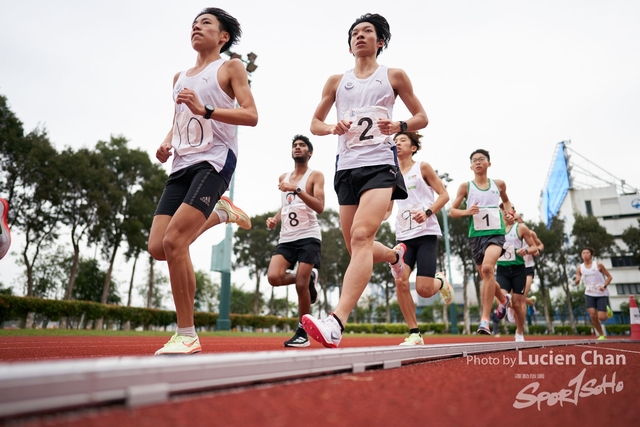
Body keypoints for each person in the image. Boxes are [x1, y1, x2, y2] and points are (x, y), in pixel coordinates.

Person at [301, 13, 428, 348]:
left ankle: (336, 322)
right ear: (349, 44)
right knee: (357, 248)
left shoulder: (394, 76)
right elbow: (315, 122)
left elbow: (422, 118)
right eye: (354, 33)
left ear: (380, 41)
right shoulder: (336, 82)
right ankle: (395, 256)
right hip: (346, 168)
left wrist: (398, 126)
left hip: (379, 165)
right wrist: (332, 128)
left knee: (360, 237)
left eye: (367, 32)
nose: (360, 36)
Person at [148, 7, 258, 356]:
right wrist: (167, 141)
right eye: (194, 24)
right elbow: (180, 116)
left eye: (205, 23)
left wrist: (206, 110)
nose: (197, 27)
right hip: (181, 165)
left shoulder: (230, 67)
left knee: (176, 240)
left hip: (214, 160)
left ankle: (186, 334)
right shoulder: (179, 76)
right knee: (158, 247)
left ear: (223, 36)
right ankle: (221, 213)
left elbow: (251, 115)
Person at [391, 131, 454, 346]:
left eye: (402, 141)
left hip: (425, 233)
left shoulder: (422, 167)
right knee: (399, 281)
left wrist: (427, 212)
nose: (397, 144)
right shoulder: (391, 173)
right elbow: (388, 204)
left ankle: (440, 281)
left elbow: (444, 195)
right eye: (395, 141)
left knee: (424, 290)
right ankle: (415, 333)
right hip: (403, 236)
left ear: (413, 148)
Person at [266, 135, 325, 347]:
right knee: (274, 277)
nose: (297, 148)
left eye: (302, 145)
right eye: (295, 145)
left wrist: (297, 189)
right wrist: (275, 217)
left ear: (310, 152)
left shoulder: (315, 175)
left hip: (309, 236)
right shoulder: (283, 177)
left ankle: (302, 332)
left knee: (300, 284)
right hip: (287, 238)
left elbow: (319, 206)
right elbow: (287, 205)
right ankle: (309, 279)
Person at [449, 149, 513, 335]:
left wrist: (509, 214)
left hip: (496, 234)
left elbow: (507, 202)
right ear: (471, 166)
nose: (478, 162)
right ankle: (503, 299)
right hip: (476, 236)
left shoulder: (499, 185)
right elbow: (452, 212)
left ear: (488, 164)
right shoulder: (465, 187)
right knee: (486, 276)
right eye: (474, 160)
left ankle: (484, 320)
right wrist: (466, 212)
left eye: (481, 159)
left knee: (487, 269)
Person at [496, 203, 538, 342]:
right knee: (502, 296)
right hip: (502, 269)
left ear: (513, 212)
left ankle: (519, 332)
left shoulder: (521, 228)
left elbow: (534, 247)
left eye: (508, 210)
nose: (506, 213)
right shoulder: (496, 228)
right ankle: (506, 305)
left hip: (518, 269)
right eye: (503, 211)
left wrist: (525, 251)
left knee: (518, 304)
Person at [574, 247, 613, 340]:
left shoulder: (598, 265)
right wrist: (577, 280)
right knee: (592, 315)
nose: (585, 255)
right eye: (583, 253)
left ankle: (607, 312)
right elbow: (578, 275)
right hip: (589, 293)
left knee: (602, 318)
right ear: (581, 256)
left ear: (591, 255)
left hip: (600, 293)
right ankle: (602, 335)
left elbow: (609, 277)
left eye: (587, 253)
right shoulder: (580, 267)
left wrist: (604, 286)